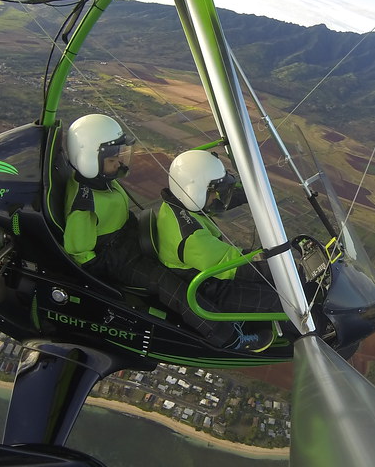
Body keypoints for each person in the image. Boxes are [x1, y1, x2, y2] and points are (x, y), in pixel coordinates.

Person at [61, 115, 266, 351]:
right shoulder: (83, 205)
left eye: (119, 156)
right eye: (111, 160)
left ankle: (227, 310)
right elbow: (79, 251)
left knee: (179, 267)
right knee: (173, 288)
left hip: (128, 237)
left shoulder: (99, 180)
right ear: (87, 159)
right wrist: (104, 284)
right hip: (119, 259)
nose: (119, 163)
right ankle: (229, 338)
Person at [157, 149, 287, 350]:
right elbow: (233, 265)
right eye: (212, 191)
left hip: (210, 272)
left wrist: (249, 193)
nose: (216, 196)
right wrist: (290, 270)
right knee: (280, 299)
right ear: (194, 191)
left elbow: (214, 203)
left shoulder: (179, 204)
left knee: (270, 281)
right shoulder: (190, 236)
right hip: (210, 288)